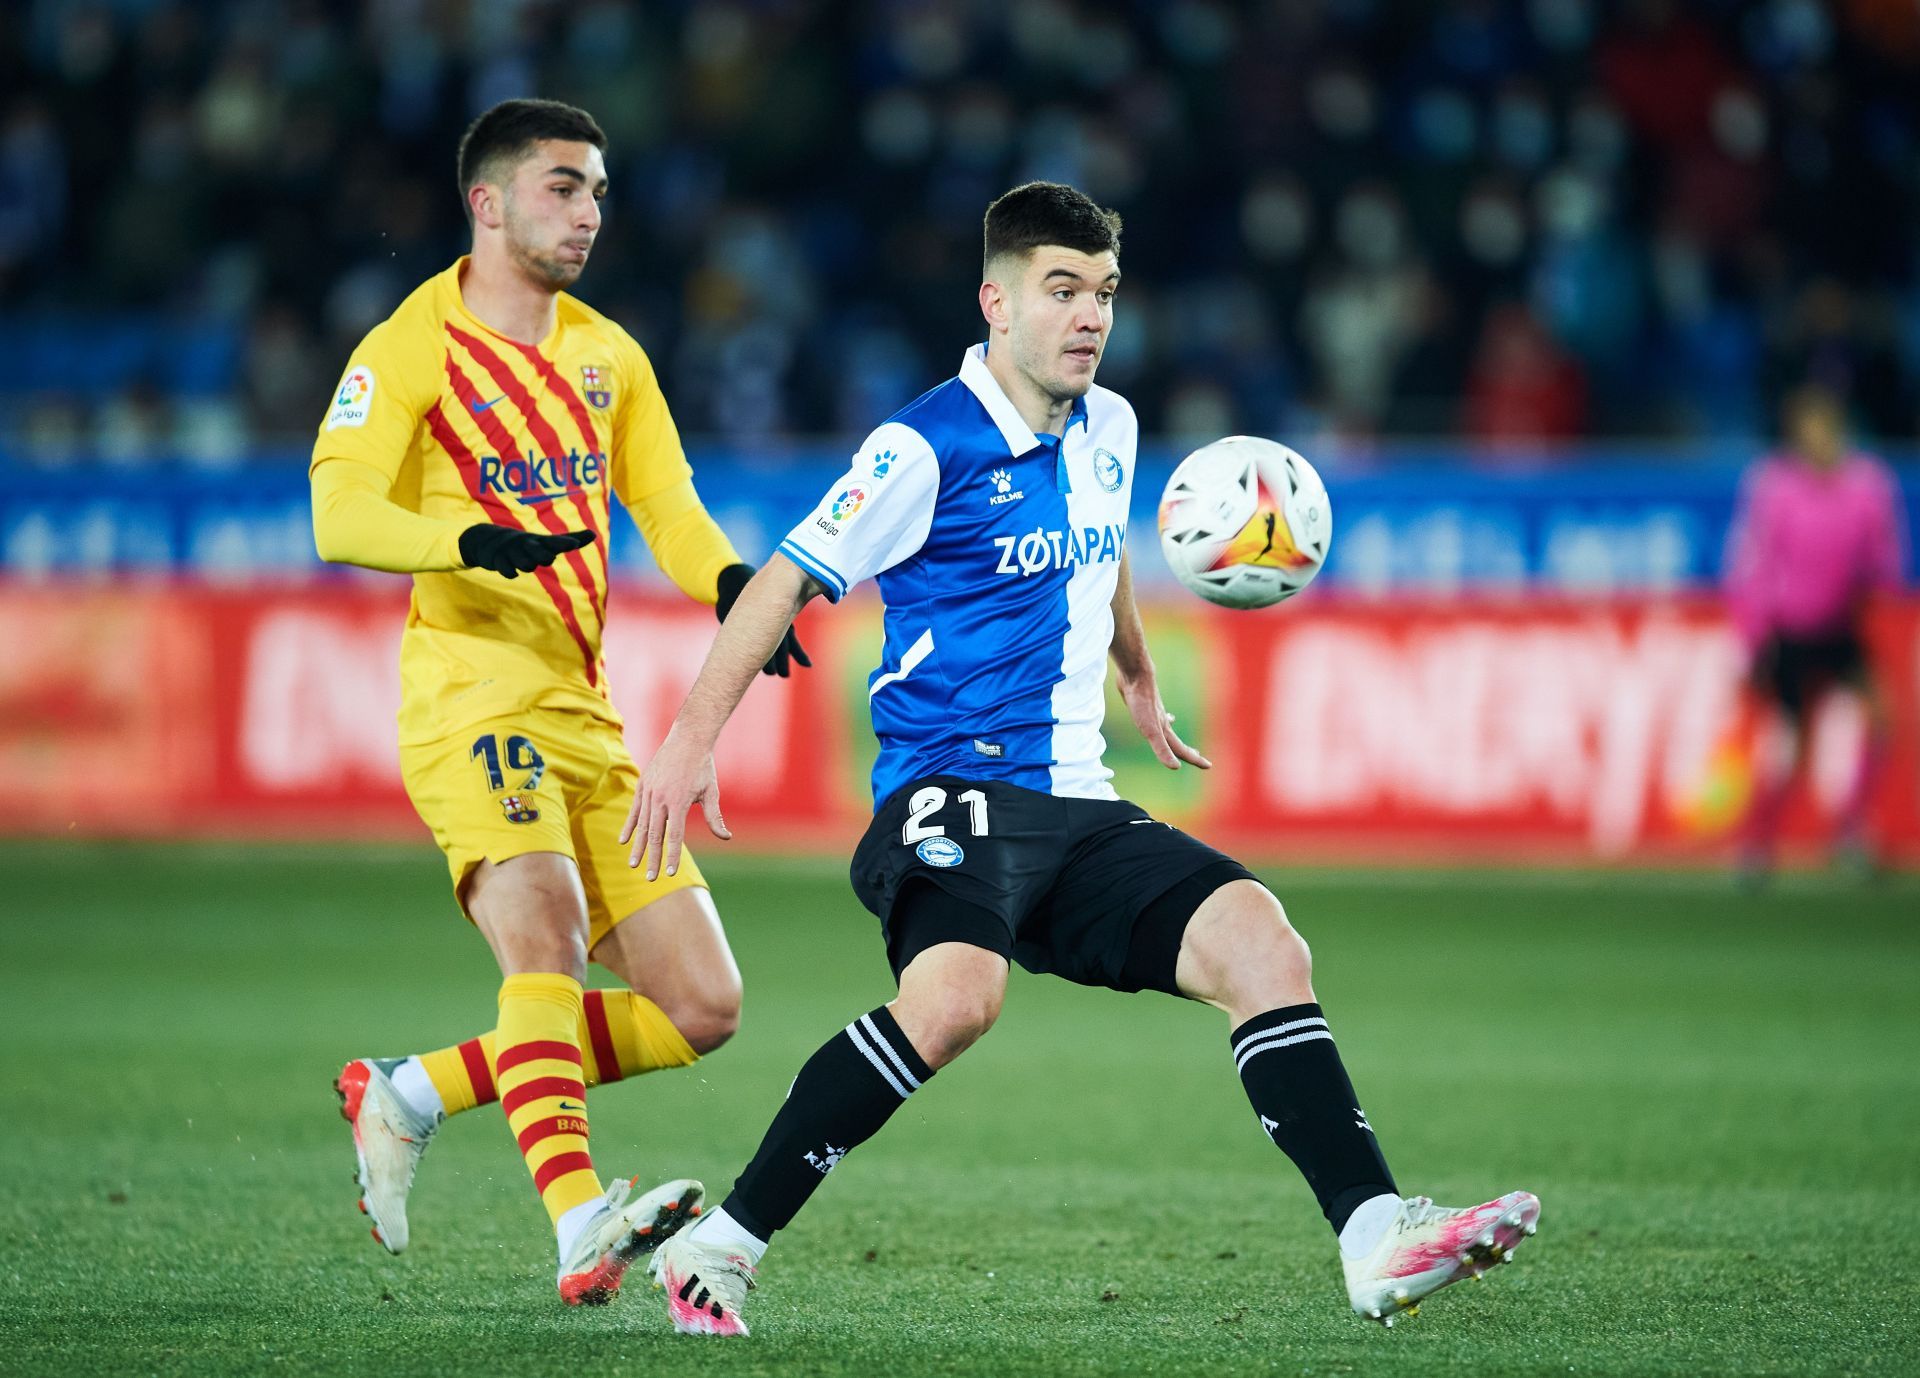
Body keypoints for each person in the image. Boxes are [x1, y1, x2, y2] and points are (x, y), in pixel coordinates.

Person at [622, 182, 1539, 1337]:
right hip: (946, 786)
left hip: (1077, 802)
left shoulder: (1112, 426)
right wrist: (689, 738)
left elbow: (1098, 556)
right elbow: (786, 576)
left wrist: (1138, 671)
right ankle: (725, 1244)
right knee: (956, 999)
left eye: (1103, 291)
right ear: (996, 303)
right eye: (1062, 290)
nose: (1090, 315)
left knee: (1264, 940)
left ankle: (1373, 1238)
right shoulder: (921, 444)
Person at [308, 98, 807, 1306]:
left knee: (702, 1006)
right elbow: (338, 512)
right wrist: (466, 538)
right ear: (486, 202)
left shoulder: (607, 354)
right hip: (469, 703)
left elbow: (671, 509)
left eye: (595, 190)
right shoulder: (408, 346)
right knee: (541, 939)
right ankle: (582, 1221)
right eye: (561, 187)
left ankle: (411, 1091)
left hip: (584, 714)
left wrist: (738, 585)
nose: (588, 211)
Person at [1725, 384, 1907, 876]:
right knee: (1793, 745)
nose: (1818, 440)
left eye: (1826, 430)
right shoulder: (1774, 486)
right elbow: (1751, 567)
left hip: (1842, 627)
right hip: (1790, 632)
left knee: (1883, 719)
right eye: (1808, 431)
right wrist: (1749, 639)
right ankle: (1757, 842)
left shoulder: (1868, 485)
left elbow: (1885, 560)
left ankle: (1851, 830)